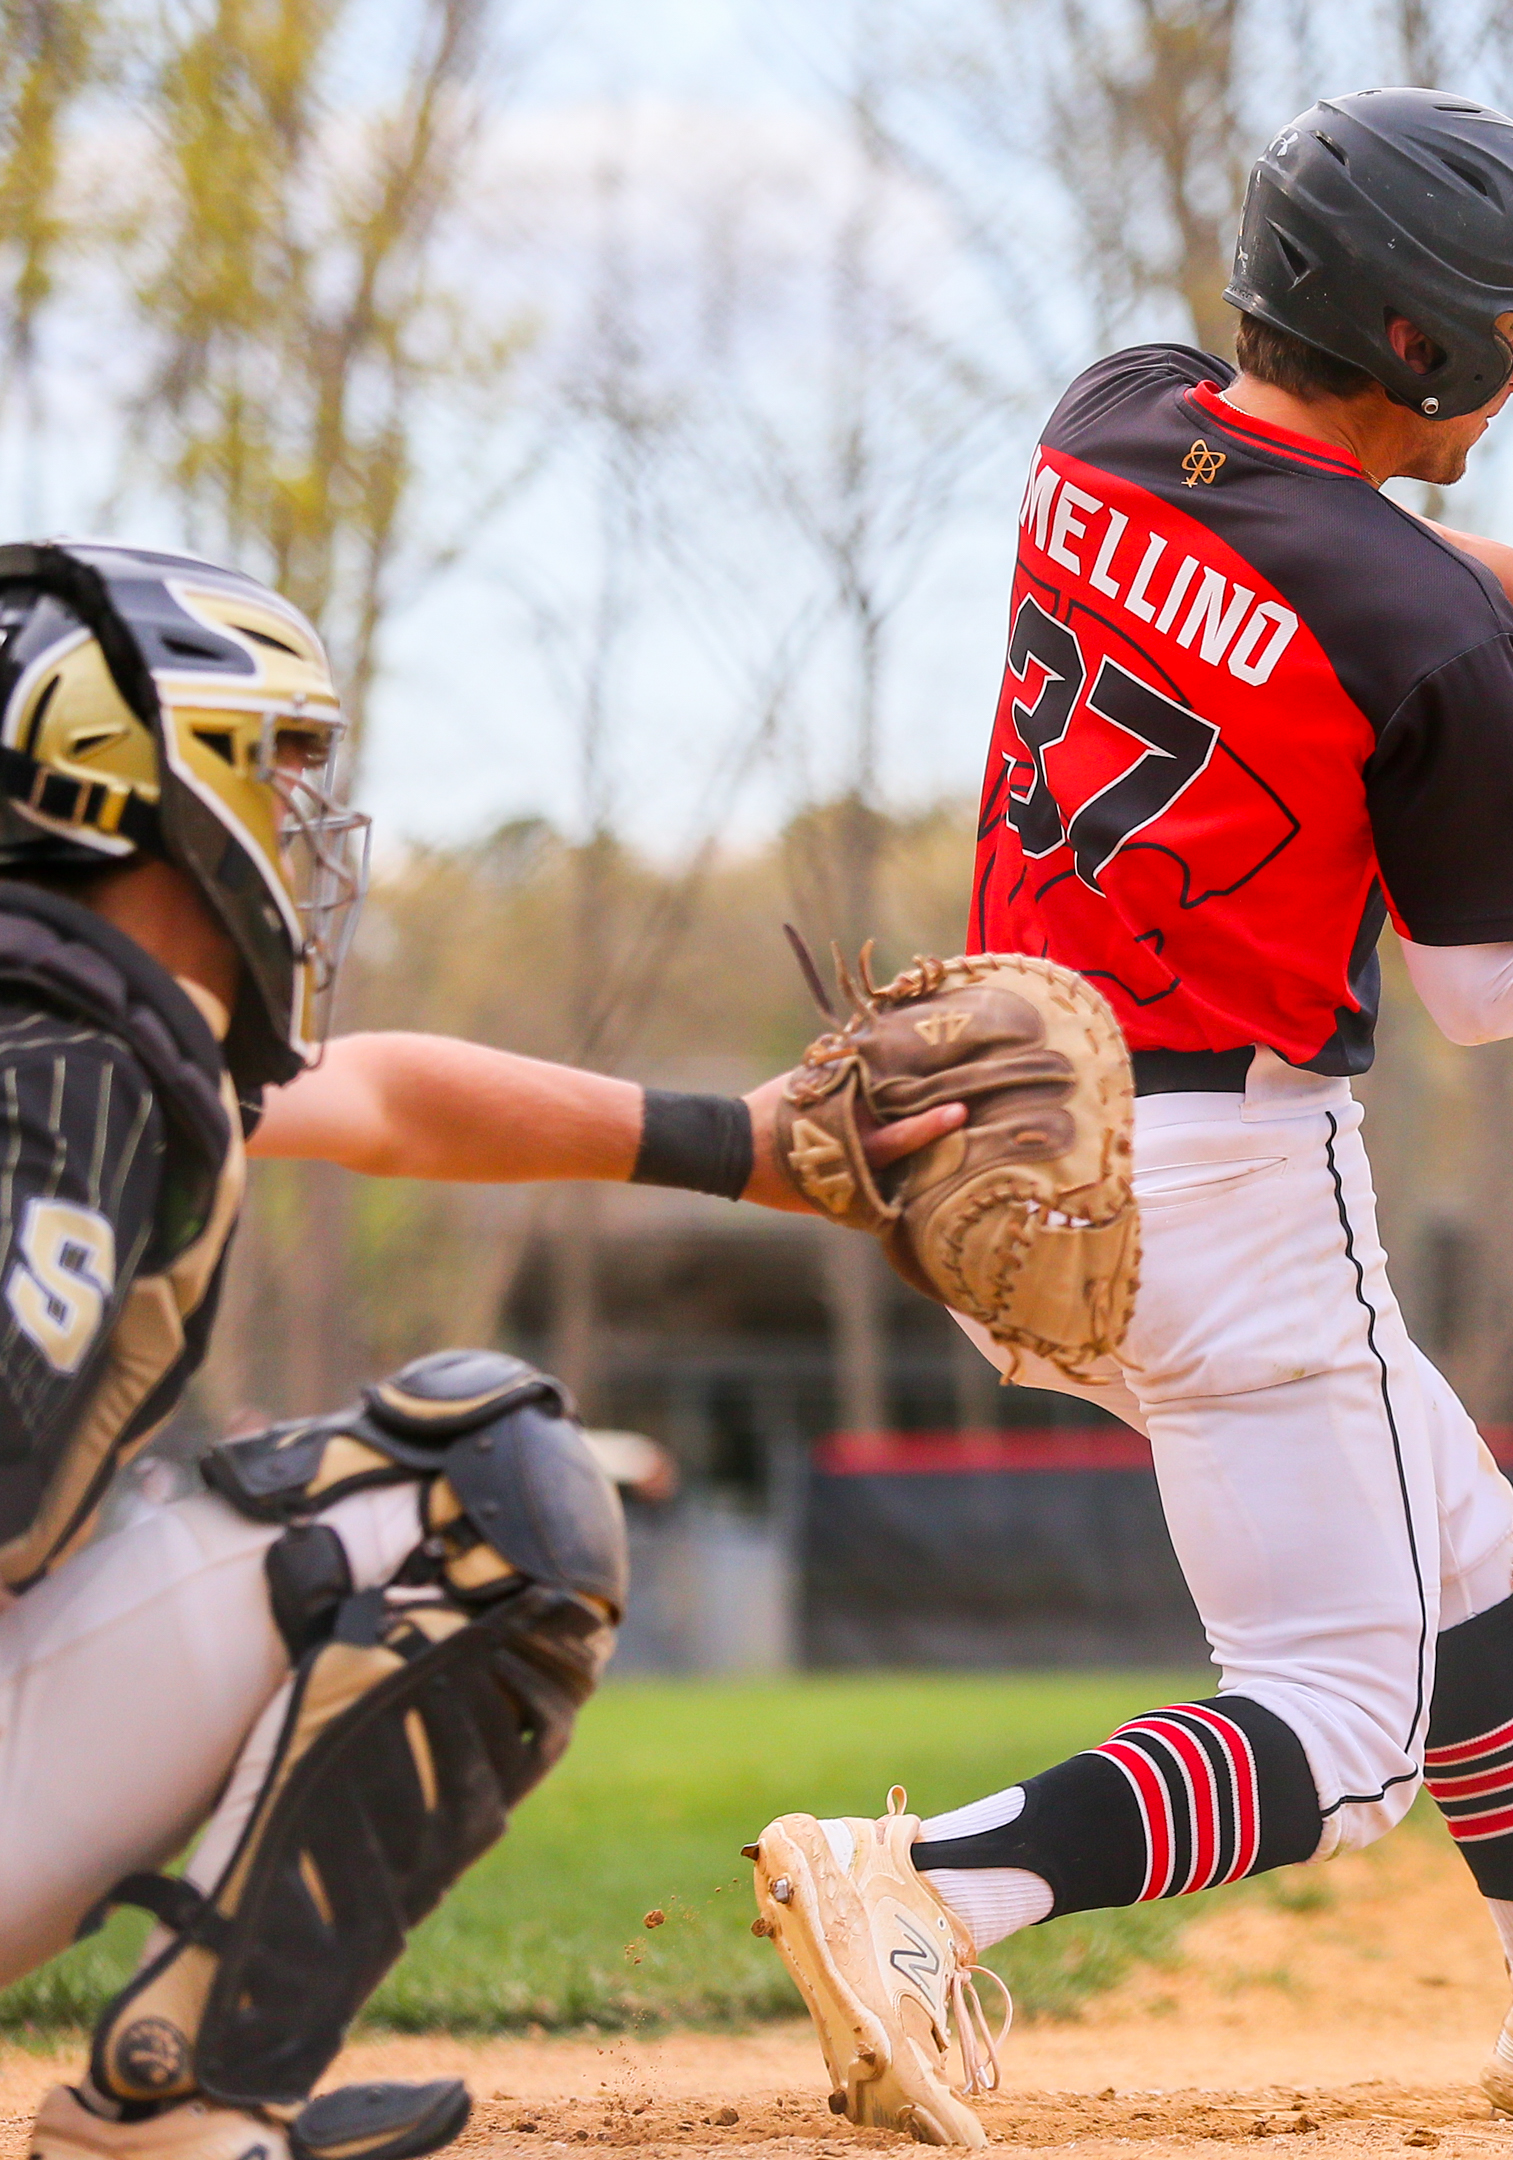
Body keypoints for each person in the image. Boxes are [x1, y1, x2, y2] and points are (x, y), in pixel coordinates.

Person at [742, 89, 1513, 2142]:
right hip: (1224, 1197)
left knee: (1450, 1530)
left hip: (982, 1145)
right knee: (1345, 1730)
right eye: (1498, 325)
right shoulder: (1427, 637)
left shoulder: (1113, 417)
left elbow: (1408, 560)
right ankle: (935, 1885)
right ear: (1408, 345)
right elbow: (1493, 985)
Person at [0, 539, 955, 2160]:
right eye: (269, 766)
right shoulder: (61, 1076)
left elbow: (381, 1097)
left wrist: (753, 1146)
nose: (299, 825)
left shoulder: (75, 1035)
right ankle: (173, 2111)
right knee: (486, 1488)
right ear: (134, 788)